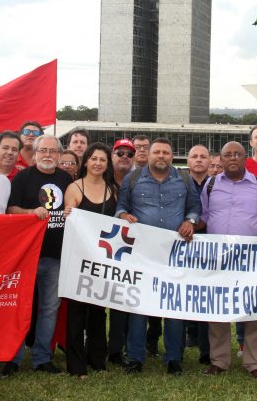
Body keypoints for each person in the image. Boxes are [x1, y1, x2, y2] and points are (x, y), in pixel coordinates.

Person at [116, 138, 201, 375]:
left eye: (165, 152)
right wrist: (123, 215)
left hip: (174, 254)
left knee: (172, 306)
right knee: (139, 306)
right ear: (149, 155)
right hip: (141, 253)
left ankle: (173, 358)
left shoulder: (184, 179)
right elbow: (121, 207)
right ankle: (135, 357)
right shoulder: (133, 179)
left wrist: (190, 221)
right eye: (157, 152)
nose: (161, 156)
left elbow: (195, 208)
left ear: (172, 156)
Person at [198, 142, 257, 380]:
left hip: (251, 258)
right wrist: (188, 226)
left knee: (253, 308)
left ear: (245, 158)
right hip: (218, 258)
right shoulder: (210, 185)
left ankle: (255, 362)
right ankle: (219, 360)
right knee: (217, 308)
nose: (232, 158)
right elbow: (203, 217)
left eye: (237, 154)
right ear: (220, 159)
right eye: (227, 154)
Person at [6, 135, 72, 374]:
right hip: (28, 254)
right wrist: (30, 213)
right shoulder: (23, 177)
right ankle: (12, 358)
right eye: (43, 150)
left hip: (56, 255)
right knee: (20, 307)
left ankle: (42, 358)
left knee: (49, 308)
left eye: (53, 151)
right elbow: (10, 209)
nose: (48, 155)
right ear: (34, 153)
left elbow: (74, 208)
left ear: (59, 154)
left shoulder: (66, 179)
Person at [62, 143, 118, 377]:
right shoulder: (75, 187)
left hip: (103, 260)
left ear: (107, 164)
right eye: (93, 159)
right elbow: (69, 220)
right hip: (78, 258)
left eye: (102, 160)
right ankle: (76, 366)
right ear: (85, 161)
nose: (97, 163)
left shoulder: (113, 189)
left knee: (98, 311)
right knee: (76, 312)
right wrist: (68, 214)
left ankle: (98, 360)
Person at [106, 139, 137, 365]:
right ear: (112, 155)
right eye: (120, 152)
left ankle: (118, 348)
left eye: (129, 153)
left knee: (123, 300)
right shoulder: (101, 180)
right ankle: (95, 344)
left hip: (128, 249)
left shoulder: (138, 181)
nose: (124, 156)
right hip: (99, 246)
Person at [183, 145, 211, 364]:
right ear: (188, 160)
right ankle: (187, 335)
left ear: (210, 161)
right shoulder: (180, 182)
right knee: (184, 293)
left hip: (211, 245)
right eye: (195, 156)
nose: (199, 160)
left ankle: (206, 346)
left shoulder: (216, 183)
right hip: (184, 243)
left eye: (203, 156)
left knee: (206, 296)